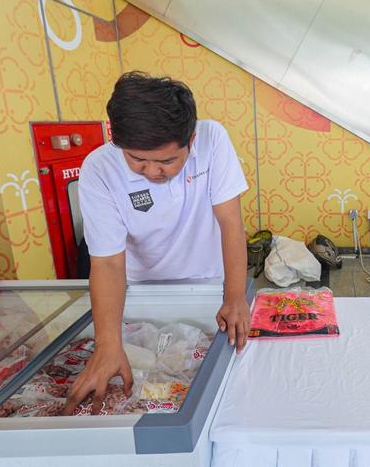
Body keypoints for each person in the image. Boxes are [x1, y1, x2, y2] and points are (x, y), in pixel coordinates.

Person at [62, 71, 250, 414]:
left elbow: (230, 223)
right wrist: (107, 344)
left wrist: (235, 295)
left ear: (191, 139)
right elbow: (107, 262)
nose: (152, 172)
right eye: (137, 160)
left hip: (208, 286)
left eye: (167, 161)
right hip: (140, 294)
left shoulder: (213, 139)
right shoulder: (99, 169)